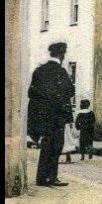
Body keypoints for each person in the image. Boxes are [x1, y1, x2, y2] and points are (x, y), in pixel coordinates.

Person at [27, 41, 75, 187]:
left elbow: (32, 93)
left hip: (43, 116)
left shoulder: (39, 71)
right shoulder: (61, 72)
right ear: (62, 55)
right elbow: (70, 91)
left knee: (46, 145)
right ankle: (51, 177)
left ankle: (41, 178)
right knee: (56, 145)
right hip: (57, 117)